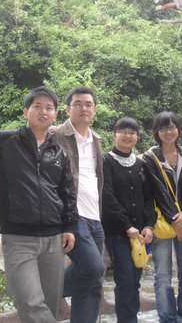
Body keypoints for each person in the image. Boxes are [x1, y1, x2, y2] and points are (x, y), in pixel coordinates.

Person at [0, 86, 78, 323]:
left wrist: (69, 226)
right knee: (29, 301)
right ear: (26, 112)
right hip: (18, 236)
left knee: (50, 304)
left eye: (49, 108)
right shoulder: (6, 140)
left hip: (54, 238)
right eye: (37, 106)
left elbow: (67, 192)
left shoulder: (59, 151)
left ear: (55, 114)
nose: (43, 112)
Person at [51, 87, 105, 323]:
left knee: (93, 283)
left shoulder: (96, 140)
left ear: (95, 110)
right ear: (67, 108)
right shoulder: (55, 134)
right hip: (73, 215)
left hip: (95, 218)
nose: (84, 108)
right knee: (94, 269)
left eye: (88, 104)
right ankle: (45, 288)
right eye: (78, 104)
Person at [142, 111, 182, 323]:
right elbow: (158, 193)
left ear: (178, 130)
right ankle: (167, 318)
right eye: (163, 128)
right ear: (156, 132)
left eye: (172, 127)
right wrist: (176, 221)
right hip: (162, 224)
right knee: (163, 275)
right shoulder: (150, 158)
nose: (168, 132)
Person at [102, 117, 156, 323]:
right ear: (114, 135)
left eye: (132, 132)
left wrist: (149, 225)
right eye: (122, 131)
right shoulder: (106, 161)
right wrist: (127, 225)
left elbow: (148, 197)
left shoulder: (140, 164)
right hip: (117, 232)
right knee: (124, 280)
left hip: (140, 234)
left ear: (137, 137)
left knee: (134, 281)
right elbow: (107, 197)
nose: (127, 136)